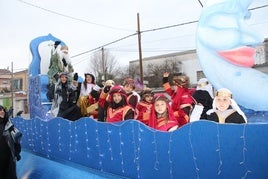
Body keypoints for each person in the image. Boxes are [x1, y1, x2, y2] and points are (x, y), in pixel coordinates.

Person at [0, 105, 22, 179]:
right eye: (0, 110)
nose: (2, 111)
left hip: (9, 157)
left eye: (3, 110)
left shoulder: (9, 125)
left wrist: (17, 153)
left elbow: (16, 140)